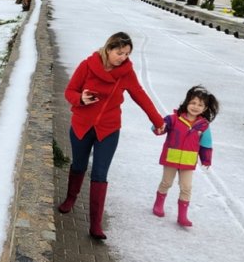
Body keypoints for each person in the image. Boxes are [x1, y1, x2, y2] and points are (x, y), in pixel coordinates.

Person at [59, 32, 165, 240]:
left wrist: (158, 121)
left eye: (127, 54)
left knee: (100, 173)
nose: (123, 58)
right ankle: (71, 198)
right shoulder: (87, 65)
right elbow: (69, 91)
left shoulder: (126, 73)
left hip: (108, 129)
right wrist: (80, 98)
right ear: (108, 49)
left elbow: (140, 96)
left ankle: (95, 224)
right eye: (119, 53)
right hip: (82, 126)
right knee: (79, 165)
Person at [151, 85, 219, 227]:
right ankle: (158, 205)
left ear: (205, 109)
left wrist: (206, 159)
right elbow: (159, 128)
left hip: (188, 161)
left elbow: (206, 144)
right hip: (171, 158)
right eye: (193, 103)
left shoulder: (203, 126)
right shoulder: (173, 119)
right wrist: (157, 127)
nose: (195, 107)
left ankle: (182, 216)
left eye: (200, 105)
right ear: (187, 103)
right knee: (166, 183)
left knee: (186, 187)